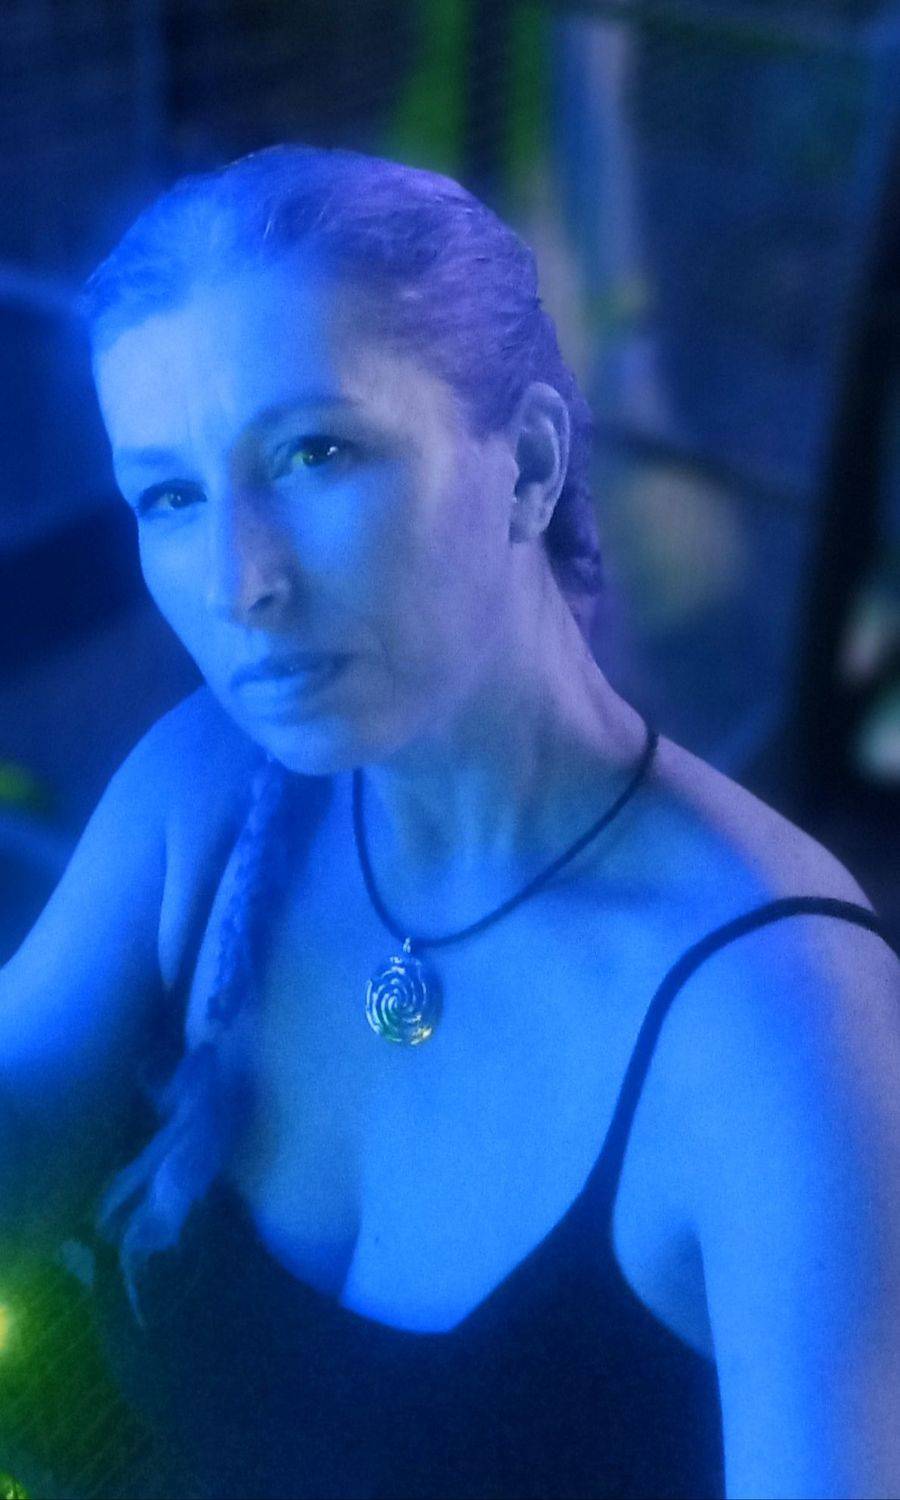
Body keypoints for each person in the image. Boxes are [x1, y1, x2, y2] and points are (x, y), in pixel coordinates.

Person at [1, 142, 898, 1500]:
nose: (240, 582)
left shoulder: (780, 1026)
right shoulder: (208, 791)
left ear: (528, 462)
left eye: (316, 453)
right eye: (170, 494)